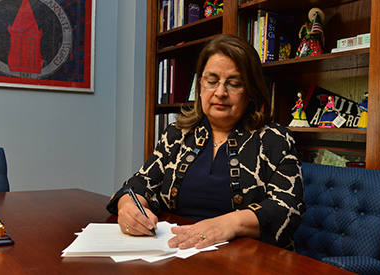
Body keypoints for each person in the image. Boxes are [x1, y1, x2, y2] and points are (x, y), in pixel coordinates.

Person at [106, 34, 305, 251]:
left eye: (234, 84)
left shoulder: (275, 140)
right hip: (176, 252)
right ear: (200, 86)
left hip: (246, 259)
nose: (220, 92)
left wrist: (227, 224)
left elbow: (288, 208)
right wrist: (128, 205)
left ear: (251, 91)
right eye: (211, 81)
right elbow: (140, 184)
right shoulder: (177, 134)